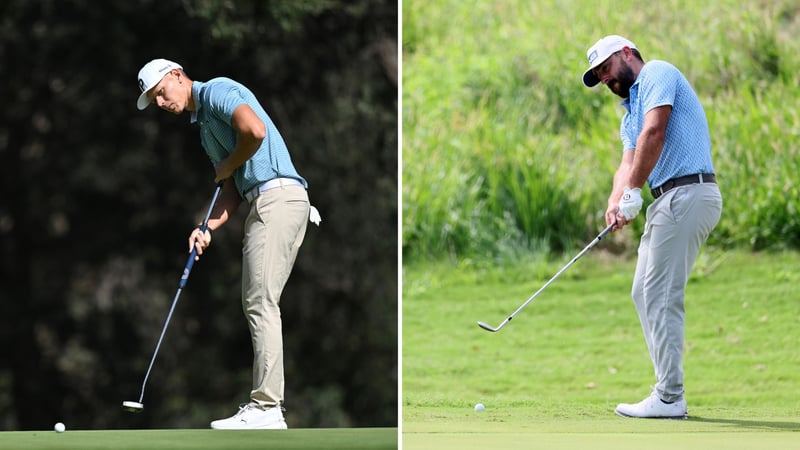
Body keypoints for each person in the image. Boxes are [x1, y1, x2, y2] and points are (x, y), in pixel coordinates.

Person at [136, 58, 320, 429]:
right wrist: (207, 227)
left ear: (176, 76)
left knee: (260, 301)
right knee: (257, 299)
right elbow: (232, 189)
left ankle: (267, 408)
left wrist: (229, 164)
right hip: (262, 200)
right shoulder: (205, 128)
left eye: (160, 93)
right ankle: (267, 406)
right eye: (153, 100)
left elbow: (253, 131)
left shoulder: (217, 90)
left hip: (278, 198)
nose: (160, 103)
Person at [582, 36, 722, 419]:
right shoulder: (630, 113)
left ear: (626, 53)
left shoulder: (658, 73)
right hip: (668, 199)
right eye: (599, 76)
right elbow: (628, 161)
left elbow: (655, 133)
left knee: (659, 292)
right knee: (643, 292)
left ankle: (670, 396)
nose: (606, 80)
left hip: (688, 191)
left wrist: (632, 192)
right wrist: (617, 200)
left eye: (606, 68)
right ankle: (667, 391)